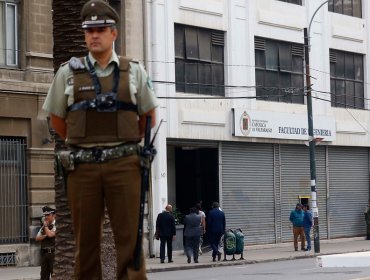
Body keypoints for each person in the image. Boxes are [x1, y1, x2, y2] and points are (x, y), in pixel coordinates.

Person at [42, 1, 158, 279]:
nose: (94, 35)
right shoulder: (67, 73)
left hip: (125, 166)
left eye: (101, 29)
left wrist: (124, 143)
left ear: (114, 33)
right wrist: (82, 140)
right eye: (89, 30)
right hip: (83, 169)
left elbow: (147, 116)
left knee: (130, 243)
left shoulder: (135, 71)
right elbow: (57, 120)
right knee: (85, 244)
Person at [36, 206, 56, 280]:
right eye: (45, 215)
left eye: (48, 215)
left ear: (53, 215)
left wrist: (46, 227)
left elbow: (51, 235)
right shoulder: (44, 226)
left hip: (53, 254)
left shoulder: (57, 225)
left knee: (55, 275)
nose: (46, 217)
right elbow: (37, 238)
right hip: (44, 253)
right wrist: (45, 235)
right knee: (44, 276)